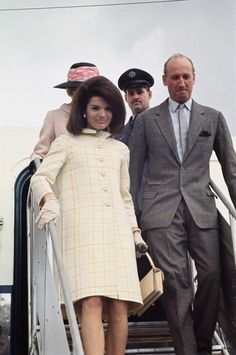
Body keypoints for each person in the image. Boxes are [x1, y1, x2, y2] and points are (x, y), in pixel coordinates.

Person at [30, 76, 147, 355]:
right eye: (95, 108)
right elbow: (40, 178)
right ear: (83, 109)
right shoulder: (66, 142)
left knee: (120, 304)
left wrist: (135, 232)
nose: (102, 114)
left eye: (107, 109)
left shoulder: (121, 149)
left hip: (117, 232)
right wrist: (49, 200)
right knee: (90, 301)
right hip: (81, 232)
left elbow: (124, 196)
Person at [129, 53, 236, 355]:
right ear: (164, 81)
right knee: (176, 284)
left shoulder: (213, 117)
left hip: (201, 209)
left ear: (194, 78)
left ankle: (202, 344)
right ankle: (187, 350)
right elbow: (134, 173)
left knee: (213, 274)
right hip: (159, 213)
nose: (181, 82)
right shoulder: (147, 121)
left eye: (186, 76)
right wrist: (133, 221)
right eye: (174, 77)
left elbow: (231, 169)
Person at [30, 61, 100, 162]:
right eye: (81, 89)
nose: (87, 93)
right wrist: (38, 167)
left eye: (93, 90)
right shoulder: (54, 116)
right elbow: (39, 154)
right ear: (72, 90)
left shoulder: (104, 118)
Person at [116, 68, 154, 146]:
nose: (136, 97)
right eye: (131, 93)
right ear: (126, 98)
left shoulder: (163, 124)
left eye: (140, 92)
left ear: (149, 94)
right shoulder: (119, 136)